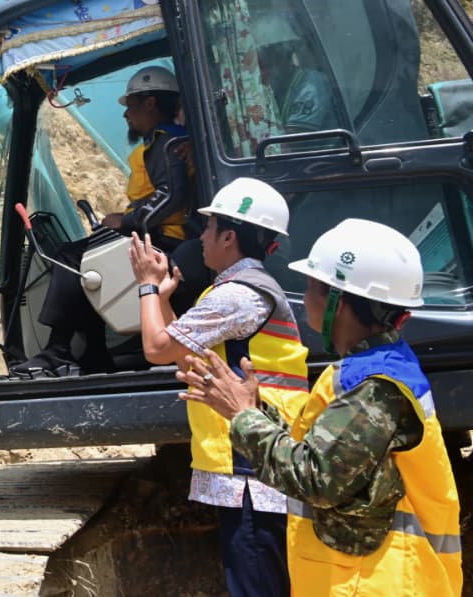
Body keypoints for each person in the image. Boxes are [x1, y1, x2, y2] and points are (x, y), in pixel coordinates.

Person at [179, 219, 462, 596]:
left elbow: (316, 477)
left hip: (378, 582)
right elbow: (323, 448)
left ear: (337, 303)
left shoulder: (375, 389)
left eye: (311, 287)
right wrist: (256, 409)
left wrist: (243, 418)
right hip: (363, 576)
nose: (305, 298)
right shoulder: (372, 371)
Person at [129, 177, 309, 597]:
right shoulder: (235, 291)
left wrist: (145, 286)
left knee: (257, 586)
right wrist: (162, 300)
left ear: (229, 236)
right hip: (256, 465)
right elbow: (182, 352)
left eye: (207, 229)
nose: (201, 238)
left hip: (254, 472)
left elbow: (156, 348)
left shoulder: (237, 296)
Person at [12, 64, 204, 377]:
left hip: (167, 242)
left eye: (130, 106)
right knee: (90, 262)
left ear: (151, 103)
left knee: (72, 259)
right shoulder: (168, 141)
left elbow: (172, 197)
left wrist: (127, 221)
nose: (126, 115)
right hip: (159, 237)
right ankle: (95, 353)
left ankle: (58, 350)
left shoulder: (165, 141)